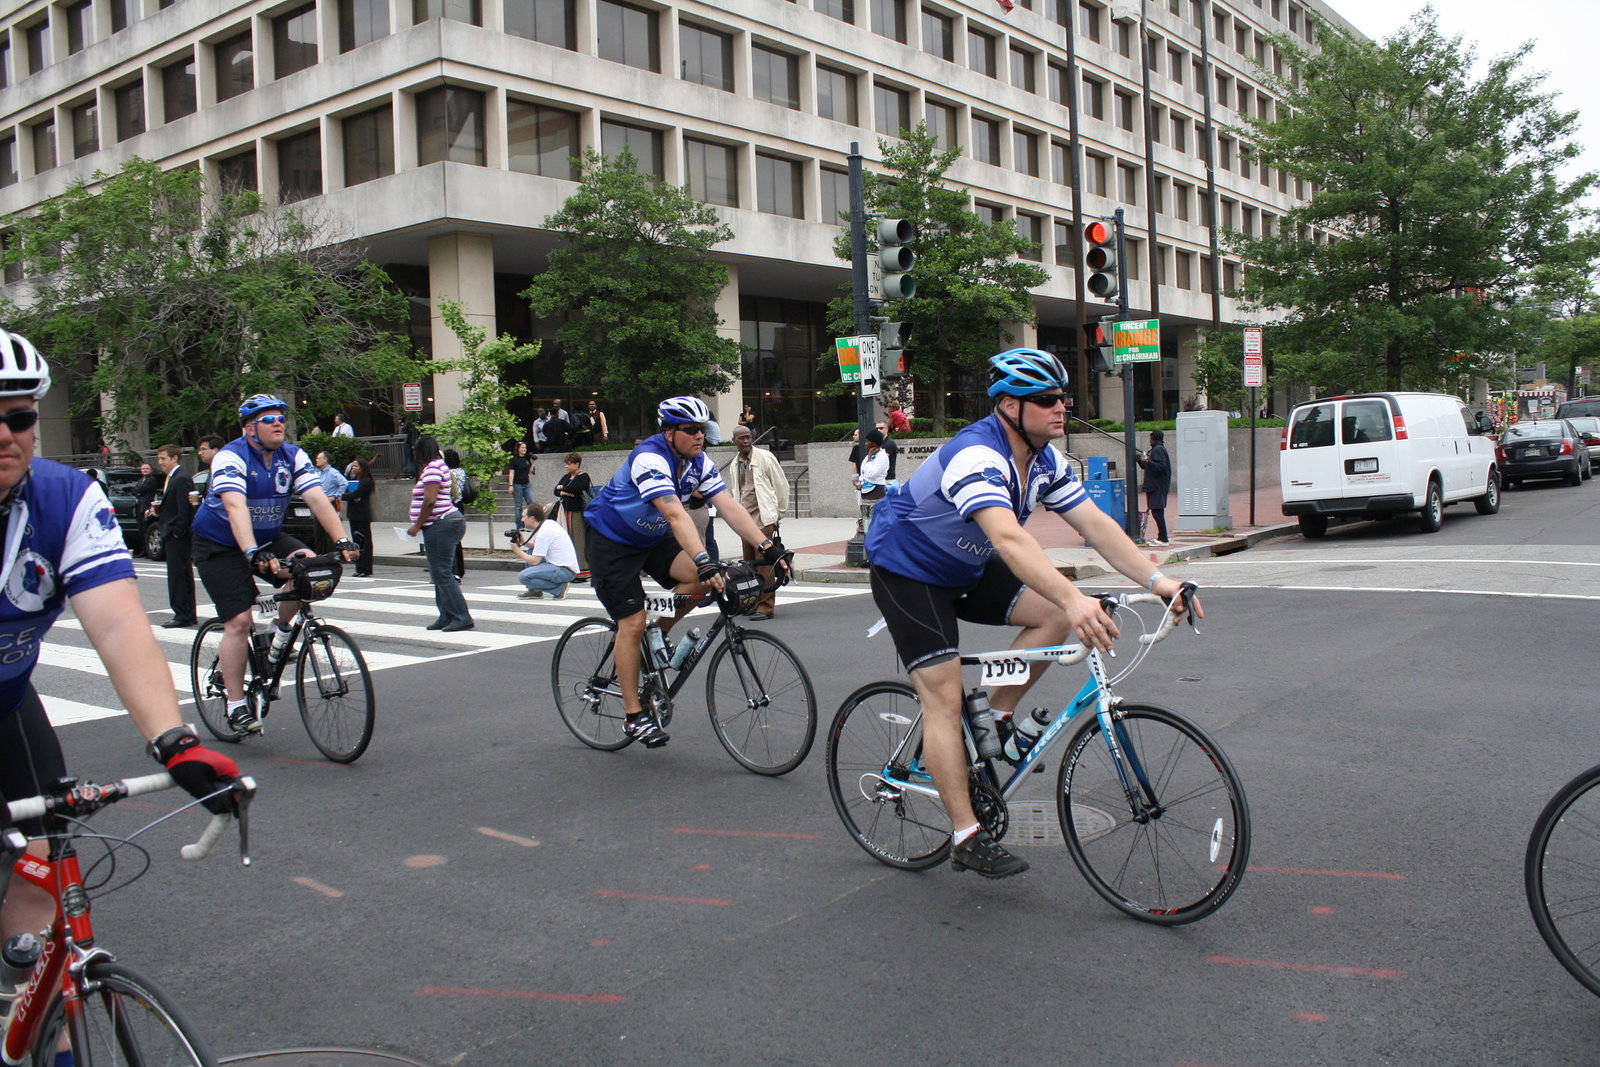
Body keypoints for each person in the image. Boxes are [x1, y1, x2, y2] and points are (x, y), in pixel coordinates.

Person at [864, 349, 1199, 879]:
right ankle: (966, 834)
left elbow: (1096, 525)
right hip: (908, 568)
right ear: (1008, 406)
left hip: (965, 566)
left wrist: (1161, 582)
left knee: (1053, 618)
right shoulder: (978, 454)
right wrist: (1074, 595)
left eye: (1064, 397)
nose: (1061, 407)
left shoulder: (1045, 460)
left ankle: (993, 717)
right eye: (1046, 399)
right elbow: (1009, 539)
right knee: (945, 697)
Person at [0, 330, 240, 951]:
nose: (5, 434)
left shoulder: (66, 498)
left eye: (18, 417)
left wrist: (175, 742)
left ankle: (20, 1002)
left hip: (6, 700)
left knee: (47, 851)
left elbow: (117, 624)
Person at [583, 396, 789, 747]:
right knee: (630, 622)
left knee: (702, 582)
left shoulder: (698, 461)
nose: (700, 437)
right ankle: (634, 717)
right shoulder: (649, 459)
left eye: (703, 431)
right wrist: (702, 556)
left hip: (649, 538)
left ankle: (657, 633)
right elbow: (676, 514)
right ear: (669, 431)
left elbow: (729, 507)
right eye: (691, 430)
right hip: (612, 541)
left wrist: (769, 547)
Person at [191, 394, 357, 733]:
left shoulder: (292, 455)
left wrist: (341, 540)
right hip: (219, 544)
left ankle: (278, 637)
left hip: (266, 536)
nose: (278, 422)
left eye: (280, 417)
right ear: (250, 427)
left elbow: (316, 498)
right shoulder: (230, 457)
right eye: (268, 419)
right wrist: (252, 553)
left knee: (309, 567)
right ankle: (236, 704)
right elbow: (236, 508)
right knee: (238, 620)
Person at [407, 435, 472, 631]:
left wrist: (417, 525)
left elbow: (430, 500)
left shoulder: (434, 468)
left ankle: (461, 616)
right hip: (443, 522)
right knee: (438, 572)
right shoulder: (437, 466)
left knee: (442, 573)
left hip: (440, 522)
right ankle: (446, 614)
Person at [727, 425, 789, 620]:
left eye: (748, 437)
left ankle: (766, 606)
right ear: (734, 441)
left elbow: (782, 486)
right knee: (750, 566)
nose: (746, 441)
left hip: (763, 520)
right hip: (745, 522)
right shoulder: (734, 464)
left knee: (764, 565)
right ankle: (753, 602)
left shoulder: (765, 458)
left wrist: (777, 516)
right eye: (742, 438)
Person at [154, 443, 197, 627]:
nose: (160, 462)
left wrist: (178, 533)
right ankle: (184, 612)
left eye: (163, 458)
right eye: (159, 458)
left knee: (179, 574)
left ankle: (183, 613)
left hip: (177, 535)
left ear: (174, 458)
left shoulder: (181, 478)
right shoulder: (172, 478)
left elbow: (184, 509)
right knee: (179, 573)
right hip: (172, 532)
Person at [513, 502, 580, 599]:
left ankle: (558, 588)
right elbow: (538, 547)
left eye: (524, 517)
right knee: (531, 551)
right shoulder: (548, 524)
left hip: (564, 570)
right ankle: (535, 591)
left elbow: (535, 561)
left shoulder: (544, 532)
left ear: (532, 518)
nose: (521, 519)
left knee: (523, 577)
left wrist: (517, 550)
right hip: (565, 566)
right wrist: (524, 542)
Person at [553, 451, 592, 572]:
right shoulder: (566, 477)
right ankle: (571, 567)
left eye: (569, 464)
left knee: (578, 539)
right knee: (568, 539)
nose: (566, 466)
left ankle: (583, 568)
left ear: (577, 464)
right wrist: (563, 491)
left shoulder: (583, 477)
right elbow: (555, 490)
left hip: (577, 512)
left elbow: (573, 488)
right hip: (565, 511)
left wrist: (562, 489)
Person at [1135, 429, 1172, 547]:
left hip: (1157, 486)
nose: (1149, 440)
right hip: (1156, 486)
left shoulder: (1158, 449)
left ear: (1154, 438)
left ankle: (1163, 538)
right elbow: (1149, 467)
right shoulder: (1157, 449)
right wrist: (1141, 461)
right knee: (1157, 511)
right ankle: (1162, 537)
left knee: (1157, 512)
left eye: (1150, 438)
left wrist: (1148, 461)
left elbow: (1161, 466)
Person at [343, 455, 376, 577]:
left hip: (362, 514)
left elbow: (355, 494)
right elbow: (347, 492)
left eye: (356, 466)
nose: (353, 468)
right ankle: (359, 567)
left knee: (365, 541)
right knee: (356, 542)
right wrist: (347, 495)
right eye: (352, 466)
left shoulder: (366, 481)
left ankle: (366, 568)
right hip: (353, 513)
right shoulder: (352, 479)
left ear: (362, 467)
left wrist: (346, 496)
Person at [313, 450, 349, 554]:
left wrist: (335, 496)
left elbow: (344, 483)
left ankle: (331, 556)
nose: (317, 460)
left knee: (329, 533)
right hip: (319, 505)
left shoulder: (333, 473)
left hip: (329, 505)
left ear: (325, 460)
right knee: (318, 533)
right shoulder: (318, 473)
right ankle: (320, 556)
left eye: (319, 458)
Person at [443, 448, 468, 582]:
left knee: (450, 540)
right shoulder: (461, 472)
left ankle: (454, 570)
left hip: (449, 505)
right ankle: (461, 568)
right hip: (460, 505)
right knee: (457, 539)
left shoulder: (447, 473)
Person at [504, 440, 535, 522]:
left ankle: (530, 521)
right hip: (517, 484)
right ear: (518, 449)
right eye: (522, 448)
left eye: (525, 447)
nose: (524, 449)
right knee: (518, 506)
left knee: (531, 502)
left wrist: (533, 463)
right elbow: (511, 472)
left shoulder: (526, 459)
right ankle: (519, 525)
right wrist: (510, 485)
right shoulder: (514, 460)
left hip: (526, 483)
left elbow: (529, 472)